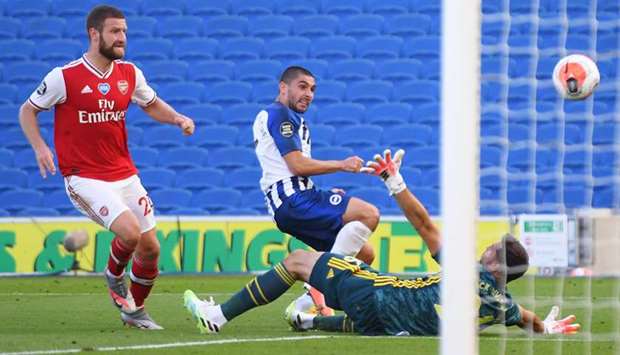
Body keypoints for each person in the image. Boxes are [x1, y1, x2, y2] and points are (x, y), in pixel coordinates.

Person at [183, 149, 580, 336]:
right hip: (386, 327)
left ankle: (217, 318)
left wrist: (395, 182)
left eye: (491, 249)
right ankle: (307, 318)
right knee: (354, 314)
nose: (483, 250)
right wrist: (544, 325)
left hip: (375, 294)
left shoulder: (468, 272)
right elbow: (523, 317)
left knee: (299, 260)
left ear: (493, 265)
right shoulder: (502, 306)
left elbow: (424, 224)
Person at [19, 5, 195, 330]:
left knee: (151, 248)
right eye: (115, 31)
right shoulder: (64, 77)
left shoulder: (129, 74)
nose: (122, 38)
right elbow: (27, 111)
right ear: (94, 34)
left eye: (124, 31)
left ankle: (135, 312)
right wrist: (41, 147)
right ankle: (114, 276)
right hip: (85, 177)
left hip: (125, 174)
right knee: (129, 232)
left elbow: (151, 103)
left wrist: (177, 118)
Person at [251, 66, 380, 315]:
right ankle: (314, 292)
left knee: (364, 254)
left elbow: (290, 168)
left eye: (312, 89)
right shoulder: (280, 114)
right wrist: (341, 164)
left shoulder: (283, 116)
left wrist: (322, 189)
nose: (309, 93)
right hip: (293, 199)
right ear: (283, 87)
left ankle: (308, 306)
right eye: (302, 86)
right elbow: (297, 165)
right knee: (368, 214)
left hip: (295, 198)